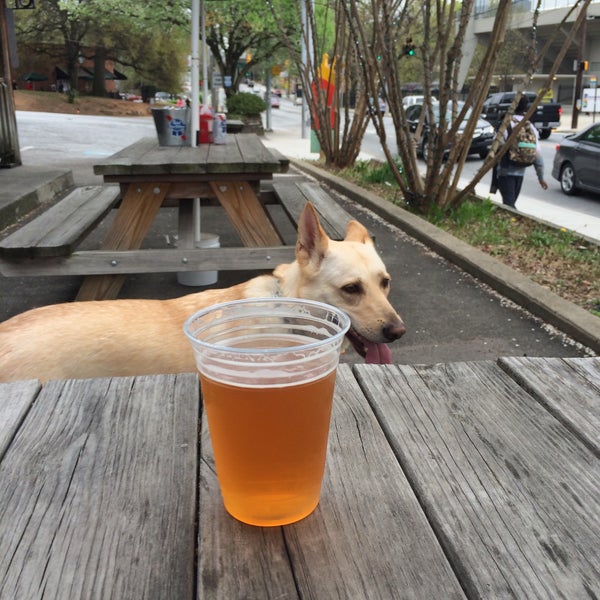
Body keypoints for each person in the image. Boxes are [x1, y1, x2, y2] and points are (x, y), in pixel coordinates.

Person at [493, 95, 548, 208]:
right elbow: (537, 153)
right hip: (520, 172)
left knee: (509, 205)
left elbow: (495, 146)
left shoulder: (506, 124)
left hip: (505, 171)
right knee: (510, 203)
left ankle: (511, 223)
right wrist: (541, 177)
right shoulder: (530, 127)